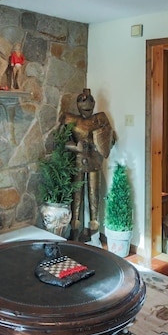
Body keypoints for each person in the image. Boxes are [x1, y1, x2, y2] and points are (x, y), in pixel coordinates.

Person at [60, 88, 116, 242]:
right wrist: (75, 147)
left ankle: (94, 232)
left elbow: (111, 139)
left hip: (95, 161)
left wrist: (97, 143)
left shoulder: (100, 119)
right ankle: (74, 231)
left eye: (90, 103)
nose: (87, 106)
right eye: (83, 103)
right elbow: (61, 140)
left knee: (94, 196)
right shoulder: (71, 119)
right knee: (76, 197)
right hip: (78, 161)